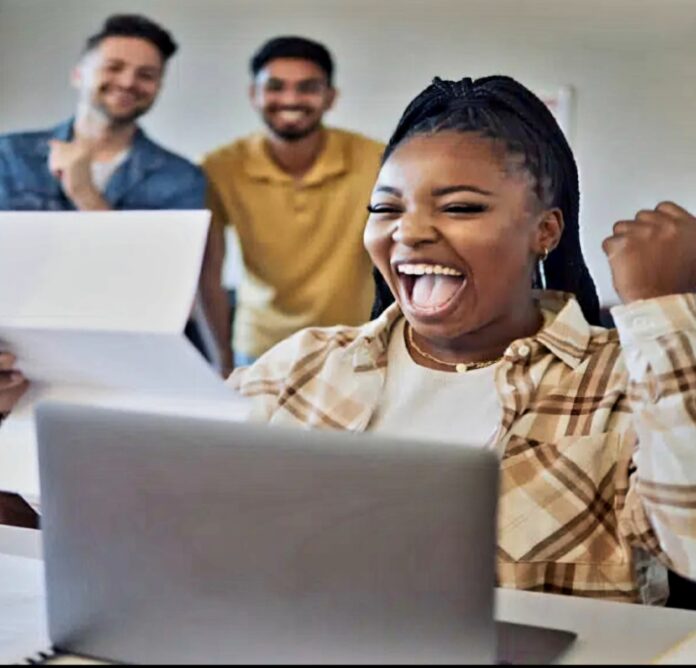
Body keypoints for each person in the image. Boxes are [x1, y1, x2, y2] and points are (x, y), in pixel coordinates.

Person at [225, 75, 696, 604]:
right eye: (386, 209)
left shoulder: (623, 379)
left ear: (546, 231)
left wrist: (661, 308)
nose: (410, 231)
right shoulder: (303, 365)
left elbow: (691, 547)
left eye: (460, 208)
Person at [0, 14, 218, 363]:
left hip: (129, 354)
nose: (129, 82)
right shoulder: (9, 155)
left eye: (146, 75)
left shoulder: (182, 178)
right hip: (20, 349)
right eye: (114, 67)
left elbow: (161, 290)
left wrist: (85, 194)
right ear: (79, 74)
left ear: (158, 87)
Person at [201, 36, 384, 370]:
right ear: (253, 95)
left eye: (307, 87)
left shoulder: (376, 160)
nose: (290, 99)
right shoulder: (220, 167)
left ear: (330, 98)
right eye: (275, 86)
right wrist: (221, 359)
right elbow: (209, 272)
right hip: (259, 346)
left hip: (352, 342)